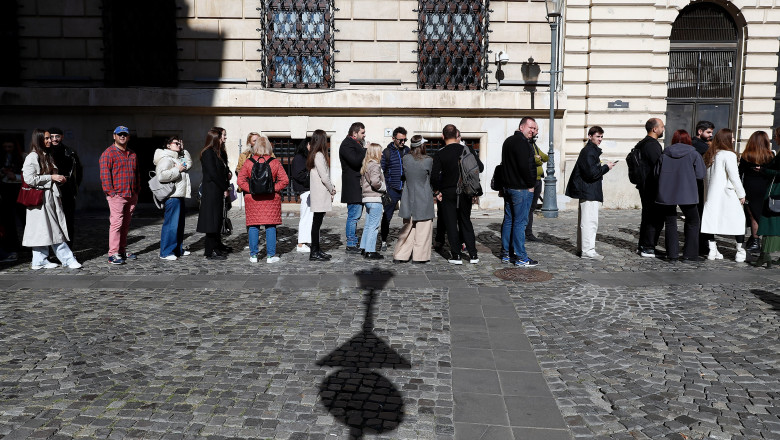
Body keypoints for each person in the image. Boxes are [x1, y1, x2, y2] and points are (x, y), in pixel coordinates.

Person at [22, 129, 81, 270]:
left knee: (42, 230)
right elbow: (29, 179)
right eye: (46, 138)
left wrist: (58, 178)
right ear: (39, 140)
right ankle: (68, 259)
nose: (49, 141)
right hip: (41, 199)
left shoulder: (45, 155)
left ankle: (39, 260)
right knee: (55, 229)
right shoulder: (33, 157)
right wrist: (52, 177)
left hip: (48, 197)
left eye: (49, 138)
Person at [432, 124, 483, 264]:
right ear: (457, 135)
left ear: (443, 137)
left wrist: (436, 192)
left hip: (448, 192)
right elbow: (480, 167)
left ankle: (456, 256)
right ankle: (473, 255)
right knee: (465, 221)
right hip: (466, 191)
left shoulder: (440, 153)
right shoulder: (466, 150)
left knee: (451, 223)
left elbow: (434, 177)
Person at [655, 129, 706, 262]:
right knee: (693, 221)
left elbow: (656, 173)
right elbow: (700, 175)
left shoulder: (664, 153)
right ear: (688, 140)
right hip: (687, 192)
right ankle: (690, 254)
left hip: (666, 193)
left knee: (670, 222)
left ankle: (672, 255)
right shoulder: (693, 154)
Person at [564, 126, 615, 260]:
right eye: (598, 136)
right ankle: (588, 250)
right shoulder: (588, 151)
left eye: (601, 136)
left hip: (588, 190)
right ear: (590, 136)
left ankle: (583, 249)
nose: (600, 139)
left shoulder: (590, 151)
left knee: (586, 221)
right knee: (590, 222)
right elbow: (592, 173)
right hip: (589, 190)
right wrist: (606, 167)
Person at [237, 136, 289, 263]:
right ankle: (271, 256)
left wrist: (252, 189)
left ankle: (253, 255)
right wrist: (272, 188)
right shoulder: (275, 162)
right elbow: (285, 180)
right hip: (270, 199)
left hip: (253, 199)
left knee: (253, 226)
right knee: (270, 226)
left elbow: (240, 180)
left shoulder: (249, 162)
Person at [700, 129, 747, 262]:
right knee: (738, 221)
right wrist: (741, 194)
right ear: (726, 139)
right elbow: (734, 177)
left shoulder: (710, 154)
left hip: (712, 194)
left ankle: (712, 250)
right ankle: (740, 251)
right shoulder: (728, 154)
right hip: (727, 193)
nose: (733, 140)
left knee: (711, 221)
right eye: (731, 137)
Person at [499, 118, 537, 267]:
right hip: (520, 189)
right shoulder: (523, 143)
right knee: (520, 223)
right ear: (521, 127)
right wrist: (531, 184)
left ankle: (506, 254)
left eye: (534, 128)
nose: (532, 131)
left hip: (509, 188)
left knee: (509, 220)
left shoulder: (508, 141)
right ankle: (521, 257)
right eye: (530, 127)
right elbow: (525, 167)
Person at [99, 125, 139, 265]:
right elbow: (105, 176)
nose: (122, 136)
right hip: (117, 195)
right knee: (116, 224)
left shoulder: (132, 154)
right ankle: (113, 254)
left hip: (131, 194)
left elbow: (137, 173)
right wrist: (111, 193)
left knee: (126, 224)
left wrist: (137, 190)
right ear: (114, 136)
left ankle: (121, 251)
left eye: (125, 134)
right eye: (120, 134)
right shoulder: (108, 153)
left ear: (128, 137)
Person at [393, 135, 434, 264]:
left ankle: (401, 255)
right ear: (422, 146)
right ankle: (420, 257)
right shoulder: (428, 160)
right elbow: (431, 178)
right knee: (423, 229)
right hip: (424, 196)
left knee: (408, 228)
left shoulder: (406, 158)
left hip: (408, 196)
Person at [153, 136, 192, 260]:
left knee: (179, 224)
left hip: (179, 194)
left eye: (180, 143)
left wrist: (183, 150)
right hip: (172, 196)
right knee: (171, 224)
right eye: (176, 143)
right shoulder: (166, 158)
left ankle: (177, 249)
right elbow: (161, 176)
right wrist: (177, 170)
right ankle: (166, 252)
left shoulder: (177, 157)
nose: (179, 145)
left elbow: (189, 164)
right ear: (168, 145)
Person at [196, 127, 231, 260]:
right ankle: (210, 251)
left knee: (218, 220)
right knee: (211, 221)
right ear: (217, 137)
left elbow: (223, 170)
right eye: (224, 135)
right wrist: (225, 188)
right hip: (212, 192)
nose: (225, 138)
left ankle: (218, 245)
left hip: (219, 191)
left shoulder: (220, 152)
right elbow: (213, 174)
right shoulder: (208, 153)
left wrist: (228, 174)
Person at [738, 131, 774, 253]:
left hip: (750, 188)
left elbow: (739, 173)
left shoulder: (746, 155)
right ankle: (756, 239)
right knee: (760, 214)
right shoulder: (770, 156)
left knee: (752, 215)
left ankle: (755, 241)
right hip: (764, 187)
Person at [635, 118, 665, 258]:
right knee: (655, 217)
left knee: (647, 217)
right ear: (655, 129)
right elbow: (658, 166)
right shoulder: (652, 145)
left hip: (644, 185)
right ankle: (648, 247)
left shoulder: (642, 143)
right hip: (652, 186)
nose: (663, 129)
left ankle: (643, 246)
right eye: (662, 127)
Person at [48, 127, 82, 249]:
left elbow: (78, 172)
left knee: (68, 220)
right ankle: (53, 249)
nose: (54, 139)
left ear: (61, 137)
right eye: (51, 136)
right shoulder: (44, 152)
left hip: (67, 190)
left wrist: (74, 188)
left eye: (57, 136)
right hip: (50, 190)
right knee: (52, 221)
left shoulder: (70, 152)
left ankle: (68, 248)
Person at [308, 129, 336, 261]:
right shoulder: (318, 155)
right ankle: (314, 251)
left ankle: (317, 249)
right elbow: (324, 176)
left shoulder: (315, 154)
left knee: (317, 223)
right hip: (320, 193)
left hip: (319, 193)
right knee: (316, 223)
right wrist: (331, 189)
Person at [380, 126, 409, 251]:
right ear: (393, 139)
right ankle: (383, 240)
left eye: (404, 140)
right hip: (392, 189)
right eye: (400, 140)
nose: (403, 142)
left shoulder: (408, 151)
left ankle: (407, 240)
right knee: (387, 216)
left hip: (406, 189)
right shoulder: (387, 152)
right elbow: (382, 170)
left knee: (408, 216)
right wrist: (385, 187)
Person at [339, 122, 367, 253]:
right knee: (353, 216)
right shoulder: (346, 144)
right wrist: (365, 150)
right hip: (353, 186)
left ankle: (353, 241)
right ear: (354, 133)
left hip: (357, 186)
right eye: (362, 132)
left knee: (356, 215)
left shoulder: (356, 144)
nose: (364, 135)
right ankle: (350, 243)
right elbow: (355, 161)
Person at [359, 143, 387, 259]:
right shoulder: (375, 165)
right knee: (374, 226)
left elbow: (362, 183)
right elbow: (375, 182)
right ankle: (370, 251)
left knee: (368, 225)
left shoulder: (366, 165)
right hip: (375, 198)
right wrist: (383, 187)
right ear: (375, 153)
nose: (382, 154)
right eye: (380, 151)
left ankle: (364, 248)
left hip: (367, 198)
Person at [692, 120, 714, 256]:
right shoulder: (701, 147)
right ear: (700, 132)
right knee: (700, 216)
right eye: (708, 132)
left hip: (696, 184)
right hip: (700, 184)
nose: (711, 135)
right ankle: (702, 246)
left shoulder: (694, 144)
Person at [0, 140, 25, 259]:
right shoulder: (2, 157)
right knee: (8, 219)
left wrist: (15, 176)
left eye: (10, 146)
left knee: (24, 217)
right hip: (5, 190)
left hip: (18, 189)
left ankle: (29, 243)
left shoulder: (21, 157)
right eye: (5, 147)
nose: (7, 149)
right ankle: (12, 245)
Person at [291, 137, 312, 253]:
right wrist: (310, 180)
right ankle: (301, 243)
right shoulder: (299, 158)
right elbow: (299, 175)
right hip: (305, 190)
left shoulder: (305, 157)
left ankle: (305, 240)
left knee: (309, 217)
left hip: (307, 189)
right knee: (305, 217)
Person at [526, 130, 547, 242]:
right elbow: (533, 160)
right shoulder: (526, 145)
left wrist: (539, 158)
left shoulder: (534, 145)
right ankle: (526, 232)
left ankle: (528, 232)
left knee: (532, 208)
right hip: (531, 180)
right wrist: (538, 160)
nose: (535, 136)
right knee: (527, 208)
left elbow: (545, 157)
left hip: (538, 180)